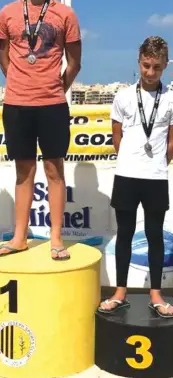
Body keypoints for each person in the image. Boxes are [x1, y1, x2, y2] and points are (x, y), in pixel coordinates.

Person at [0, 0, 81, 259]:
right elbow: (4, 59)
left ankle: (56, 238)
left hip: (53, 104)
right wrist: (22, 82)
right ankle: (19, 238)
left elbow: (74, 63)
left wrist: (56, 87)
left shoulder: (65, 14)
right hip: (16, 104)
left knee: (54, 170)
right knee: (23, 171)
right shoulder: (6, 14)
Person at [99, 36, 173, 318]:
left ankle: (156, 294)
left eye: (156, 67)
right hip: (127, 175)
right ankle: (120, 292)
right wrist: (129, 159)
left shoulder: (170, 98)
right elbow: (116, 134)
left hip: (156, 177)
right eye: (146, 65)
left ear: (165, 65)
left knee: (155, 235)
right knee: (125, 235)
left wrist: (158, 162)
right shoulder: (123, 96)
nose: (150, 73)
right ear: (139, 62)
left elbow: (171, 138)